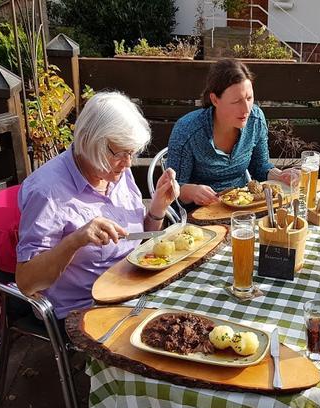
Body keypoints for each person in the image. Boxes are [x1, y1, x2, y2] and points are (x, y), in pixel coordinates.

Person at [15, 91, 179, 321]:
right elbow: (26, 282)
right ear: (89, 141)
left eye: (131, 153)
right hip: (85, 309)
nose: (128, 163)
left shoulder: (116, 170)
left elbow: (133, 239)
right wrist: (74, 241)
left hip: (132, 291)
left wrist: (157, 208)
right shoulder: (48, 191)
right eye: (121, 153)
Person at [166, 58, 297, 205]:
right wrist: (191, 191)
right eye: (236, 102)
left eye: (249, 98)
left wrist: (279, 175)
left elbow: (259, 167)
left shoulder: (255, 120)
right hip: (199, 213)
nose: (246, 109)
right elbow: (171, 189)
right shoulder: (187, 130)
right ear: (215, 100)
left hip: (243, 206)